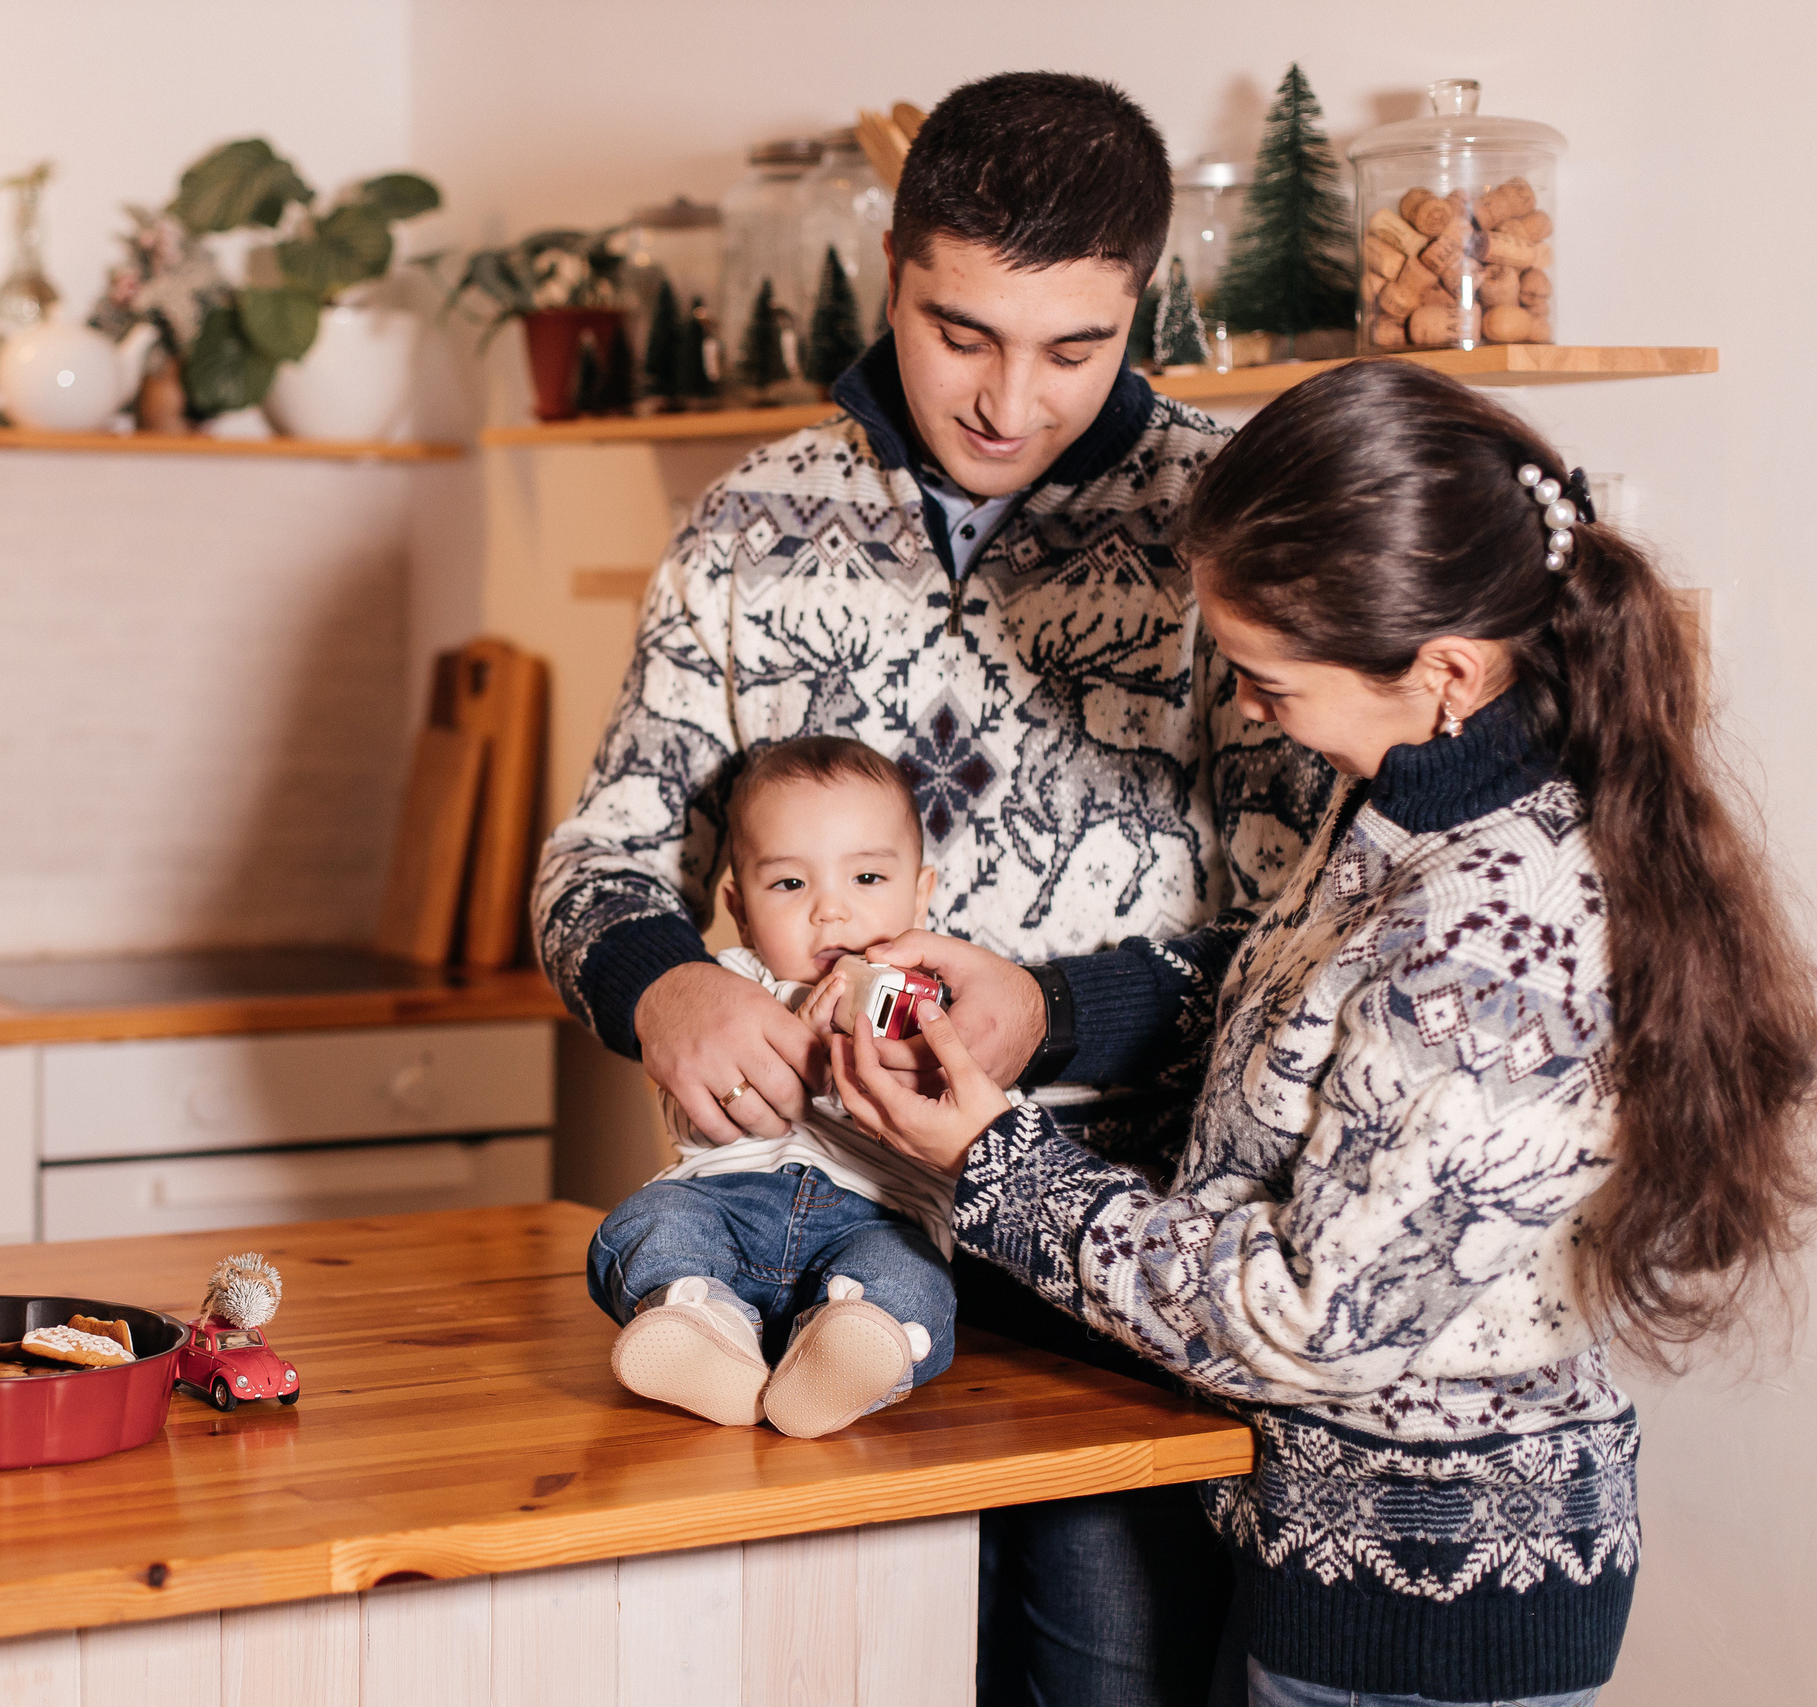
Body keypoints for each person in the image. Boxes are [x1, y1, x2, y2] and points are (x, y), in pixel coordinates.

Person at [831, 358, 1817, 1707]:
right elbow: (1311, 998)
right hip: (1333, 1565)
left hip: (1422, 1623)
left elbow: (1313, 1313)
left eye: (1268, 680)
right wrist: (1047, 1007)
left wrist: (994, 1165)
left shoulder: (1498, 927)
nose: (1248, 710)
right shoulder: (1427, 806)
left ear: (1444, 668)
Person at [534, 71, 1332, 1703]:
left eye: (1074, 347)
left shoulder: (1232, 525)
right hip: (785, 1252)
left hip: (1113, 1275)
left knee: (1103, 1673)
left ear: (1147, 302)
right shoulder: (749, 528)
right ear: (889, 264)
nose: (1009, 401)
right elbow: (597, 860)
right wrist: (659, 982)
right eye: (959, 330)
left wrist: (1054, 1006)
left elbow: (1307, 936)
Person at [587, 737, 963, 1439]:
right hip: (727, 1199)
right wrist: (780, 1038)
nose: (831, 911)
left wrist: (879, 1053)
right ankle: (703, 1321)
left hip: (879, 1217)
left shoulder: (938, 1002)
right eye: (790, 884)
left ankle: (848, 1352)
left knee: (914, 1283)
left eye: (868, 880)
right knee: (644, 1222)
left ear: (921, 893)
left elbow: (963, 1127)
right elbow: (688, 1111)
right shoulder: (731, 984)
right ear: (739, 905)